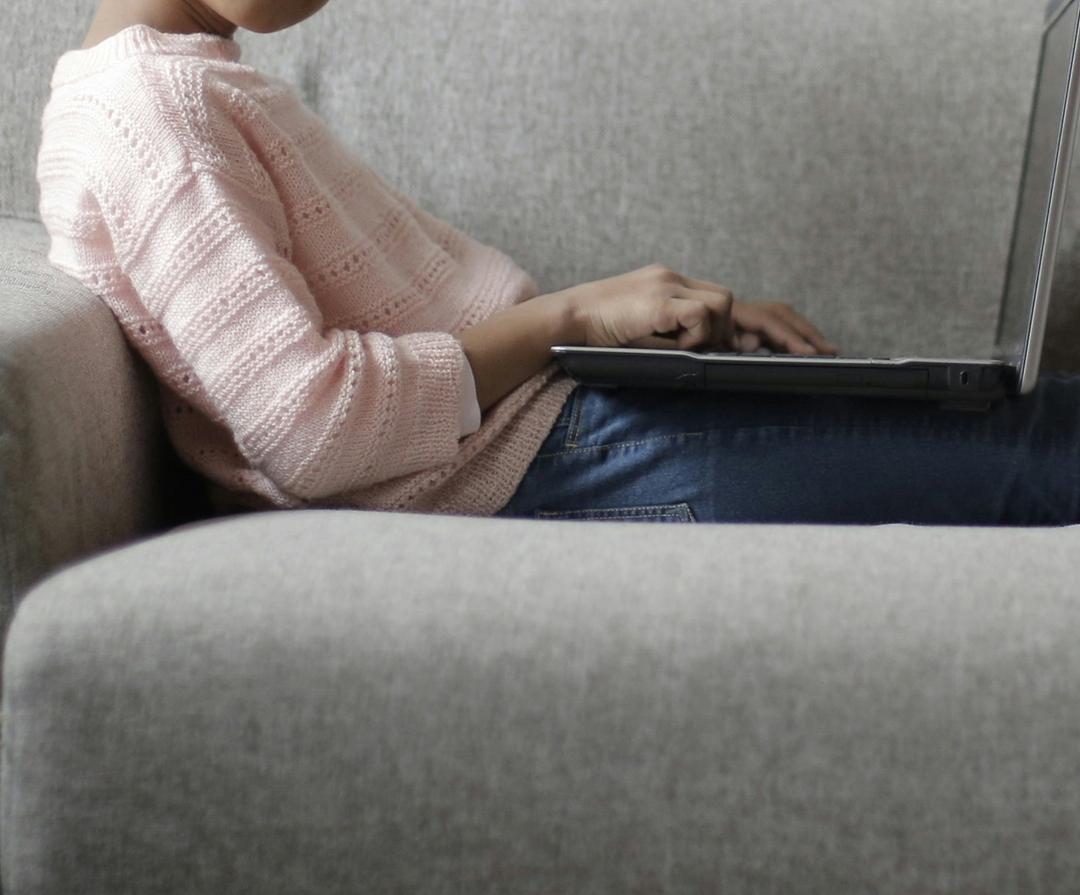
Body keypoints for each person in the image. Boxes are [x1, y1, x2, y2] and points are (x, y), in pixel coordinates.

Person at [36, 0, 1080, 526]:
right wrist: (575, 315)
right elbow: (311, 432)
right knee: (1030, 455)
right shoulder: (157, 114)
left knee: (1021, 420)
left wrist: (633, 325)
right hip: (547, 464)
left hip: (562, 424)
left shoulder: (164, 89)